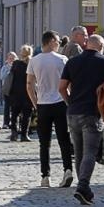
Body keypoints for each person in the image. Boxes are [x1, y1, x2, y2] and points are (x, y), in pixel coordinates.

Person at [60, 33, 104, 206]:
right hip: (93, 112)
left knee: (79, 152)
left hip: (74, 111)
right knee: (90, 152)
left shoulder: (73, 61)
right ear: (101, 46)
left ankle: (83, 187)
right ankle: (83, 186)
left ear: (87, 45)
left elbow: (61, 87)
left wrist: (70, 102)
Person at [27, 30, 74, 188]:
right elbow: (69, 82)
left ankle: (45, 176)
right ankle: (68, 169)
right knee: (63, 139)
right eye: (58, 41)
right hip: (60, 102)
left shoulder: (34, 60)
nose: (59, 43)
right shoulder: (62, 59)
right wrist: (69, 100)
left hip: (43, 104)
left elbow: (29, 84)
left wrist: (35, 102)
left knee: (44, 142)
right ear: (51, 41)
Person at [5, 45, 34, 141]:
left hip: (15, 93)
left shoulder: (16, 64)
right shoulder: (32, 64)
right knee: (26, 115)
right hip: (27, 93)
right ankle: (24, 135)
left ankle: (14, 133)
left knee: (14, 114)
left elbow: (11, 77)